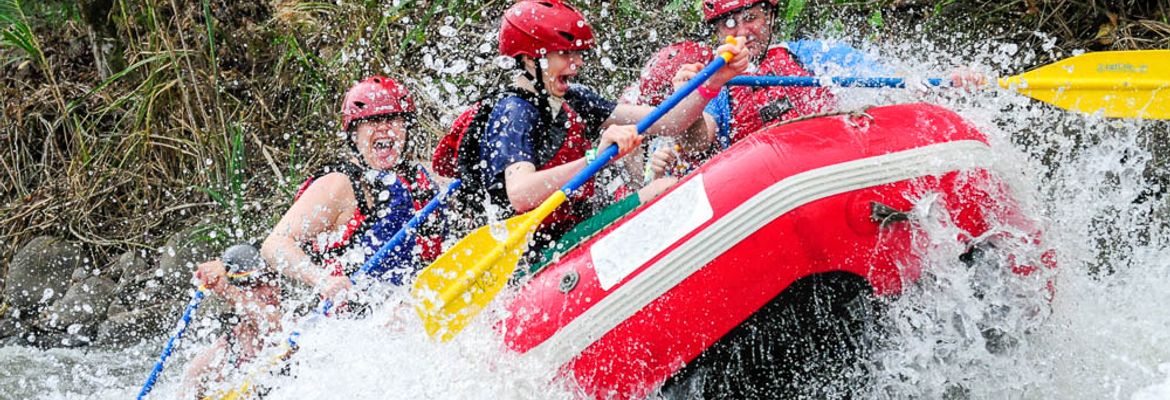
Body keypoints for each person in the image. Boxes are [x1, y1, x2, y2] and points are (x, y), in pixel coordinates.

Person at [454, 0, 749, 259]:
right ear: (531, 59)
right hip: (531, 253)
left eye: (578, 53)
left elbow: (670, 121)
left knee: (663, 186)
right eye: (565, 53)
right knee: (661, 189)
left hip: (573, 231)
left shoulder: (574, 99)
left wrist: (713, 82)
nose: (577, 63)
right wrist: (595, 157)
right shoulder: (513, 112)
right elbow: (520, 193)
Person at [260, 76, 445, 306]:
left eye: (392, 119)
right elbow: (274, 244)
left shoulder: (420, 178)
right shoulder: (339, 184)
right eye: (372, 121)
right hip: (358, 315)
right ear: (354, 134)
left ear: (406, 128)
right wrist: (323, 280)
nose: (384, 128)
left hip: (419, 304)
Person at [183, 246, 282, 399]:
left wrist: (226, 288)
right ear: (235, 295)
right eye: (256, 285)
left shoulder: (299, 328)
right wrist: (226, 289)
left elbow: (273, 328)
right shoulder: (217, 356)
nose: (269, 292)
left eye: (272, 280)